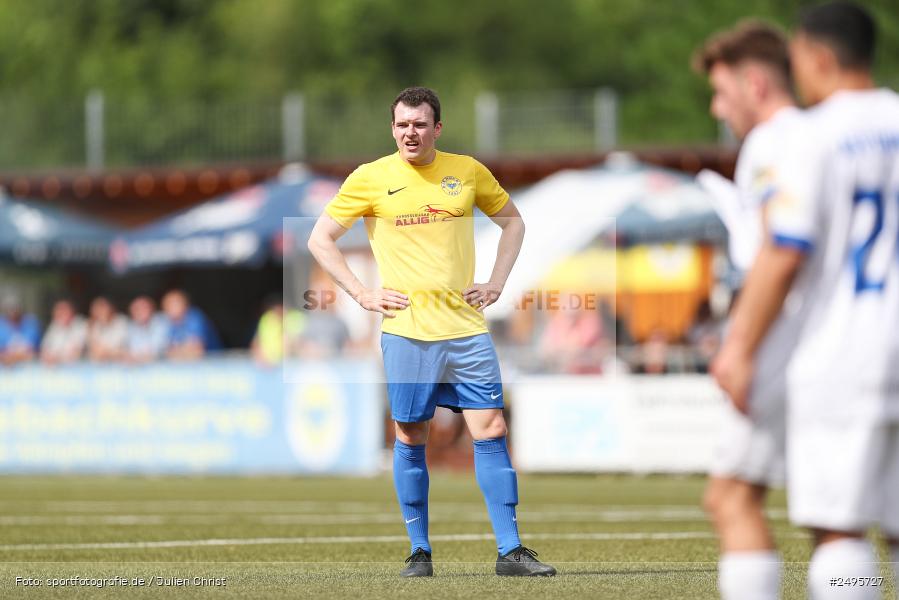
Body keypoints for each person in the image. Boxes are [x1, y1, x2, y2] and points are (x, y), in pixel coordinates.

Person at [308, 86, 555, 577]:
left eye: (419, 124)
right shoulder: (371, 178)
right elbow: (321, 239)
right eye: (402, 124)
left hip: (466, 329)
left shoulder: (467, 171)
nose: (410, 133)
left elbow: (514, 224)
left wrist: (497, 282)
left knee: (493, 429)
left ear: (437, 128)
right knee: (410, 434)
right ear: (392, 128)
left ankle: (511, 552)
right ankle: (419, 551)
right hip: (407, 332)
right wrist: (362, 294)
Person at [713, 3, 899, 598]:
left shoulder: (813, 136)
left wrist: (739, 346)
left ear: (818, 57)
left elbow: (785, 247)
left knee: (838, 530)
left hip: (844, 348)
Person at [692, 21, 802, 600]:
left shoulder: (773, 142)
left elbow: (782, 247)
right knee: (851, 526)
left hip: (790, 343)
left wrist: (739, 345)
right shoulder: (848, 131)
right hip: (868, 341)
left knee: (732, 498)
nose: (717, 105)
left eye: (722, 91)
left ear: (755, 82)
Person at [160, 289, 222, 360]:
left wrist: (178, 351)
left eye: (173, 304)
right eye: (167, 305)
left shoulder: (195, 317)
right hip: (192, 365)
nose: (169, 309)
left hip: (215, 362)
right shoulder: (172, 324)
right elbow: (168, 352)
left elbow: (196, 351)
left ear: (184, 304)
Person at [250, 294, 305, 366]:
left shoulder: (296, 318)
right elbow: (256, 341)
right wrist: (260, 356)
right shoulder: (267, 318)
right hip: (268, 365)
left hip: (292, 364)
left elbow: (300, 343)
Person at [40, 298, 88, 365]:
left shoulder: (80, 325)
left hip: (77, 367)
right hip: (56, 367)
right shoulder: (54, 326)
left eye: (64, 310)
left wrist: (56, 358)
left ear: (72, 311)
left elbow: (77, 352)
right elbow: (44, 349)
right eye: (59, 311)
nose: (61, 313)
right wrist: (48, 357)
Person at [0, 292, 40, 365]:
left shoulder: (30, 323)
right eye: (10, 309)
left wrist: (13, 357)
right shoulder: (1, 325)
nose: (12, 312)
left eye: (14, 308)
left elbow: (34, 351)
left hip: (29, 367)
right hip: (5, 368)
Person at [126, 296, 169, 363]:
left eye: (144, 308)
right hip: (139, 367)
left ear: (152, 309)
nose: (140, 311)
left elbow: (158, 350)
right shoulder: (131, 327)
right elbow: (131, 350)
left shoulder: (163, 321)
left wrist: (138, 356)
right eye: (137, 309)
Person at [86, 296, 128, 362]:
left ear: (110, 308)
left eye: (103, 307)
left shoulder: (121, 321)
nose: (100, 311)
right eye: (97, 309)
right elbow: (94, 351)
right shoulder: (95, 325)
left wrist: (106, 352)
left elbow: (119, 347)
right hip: (101, 365)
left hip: (120, 363)